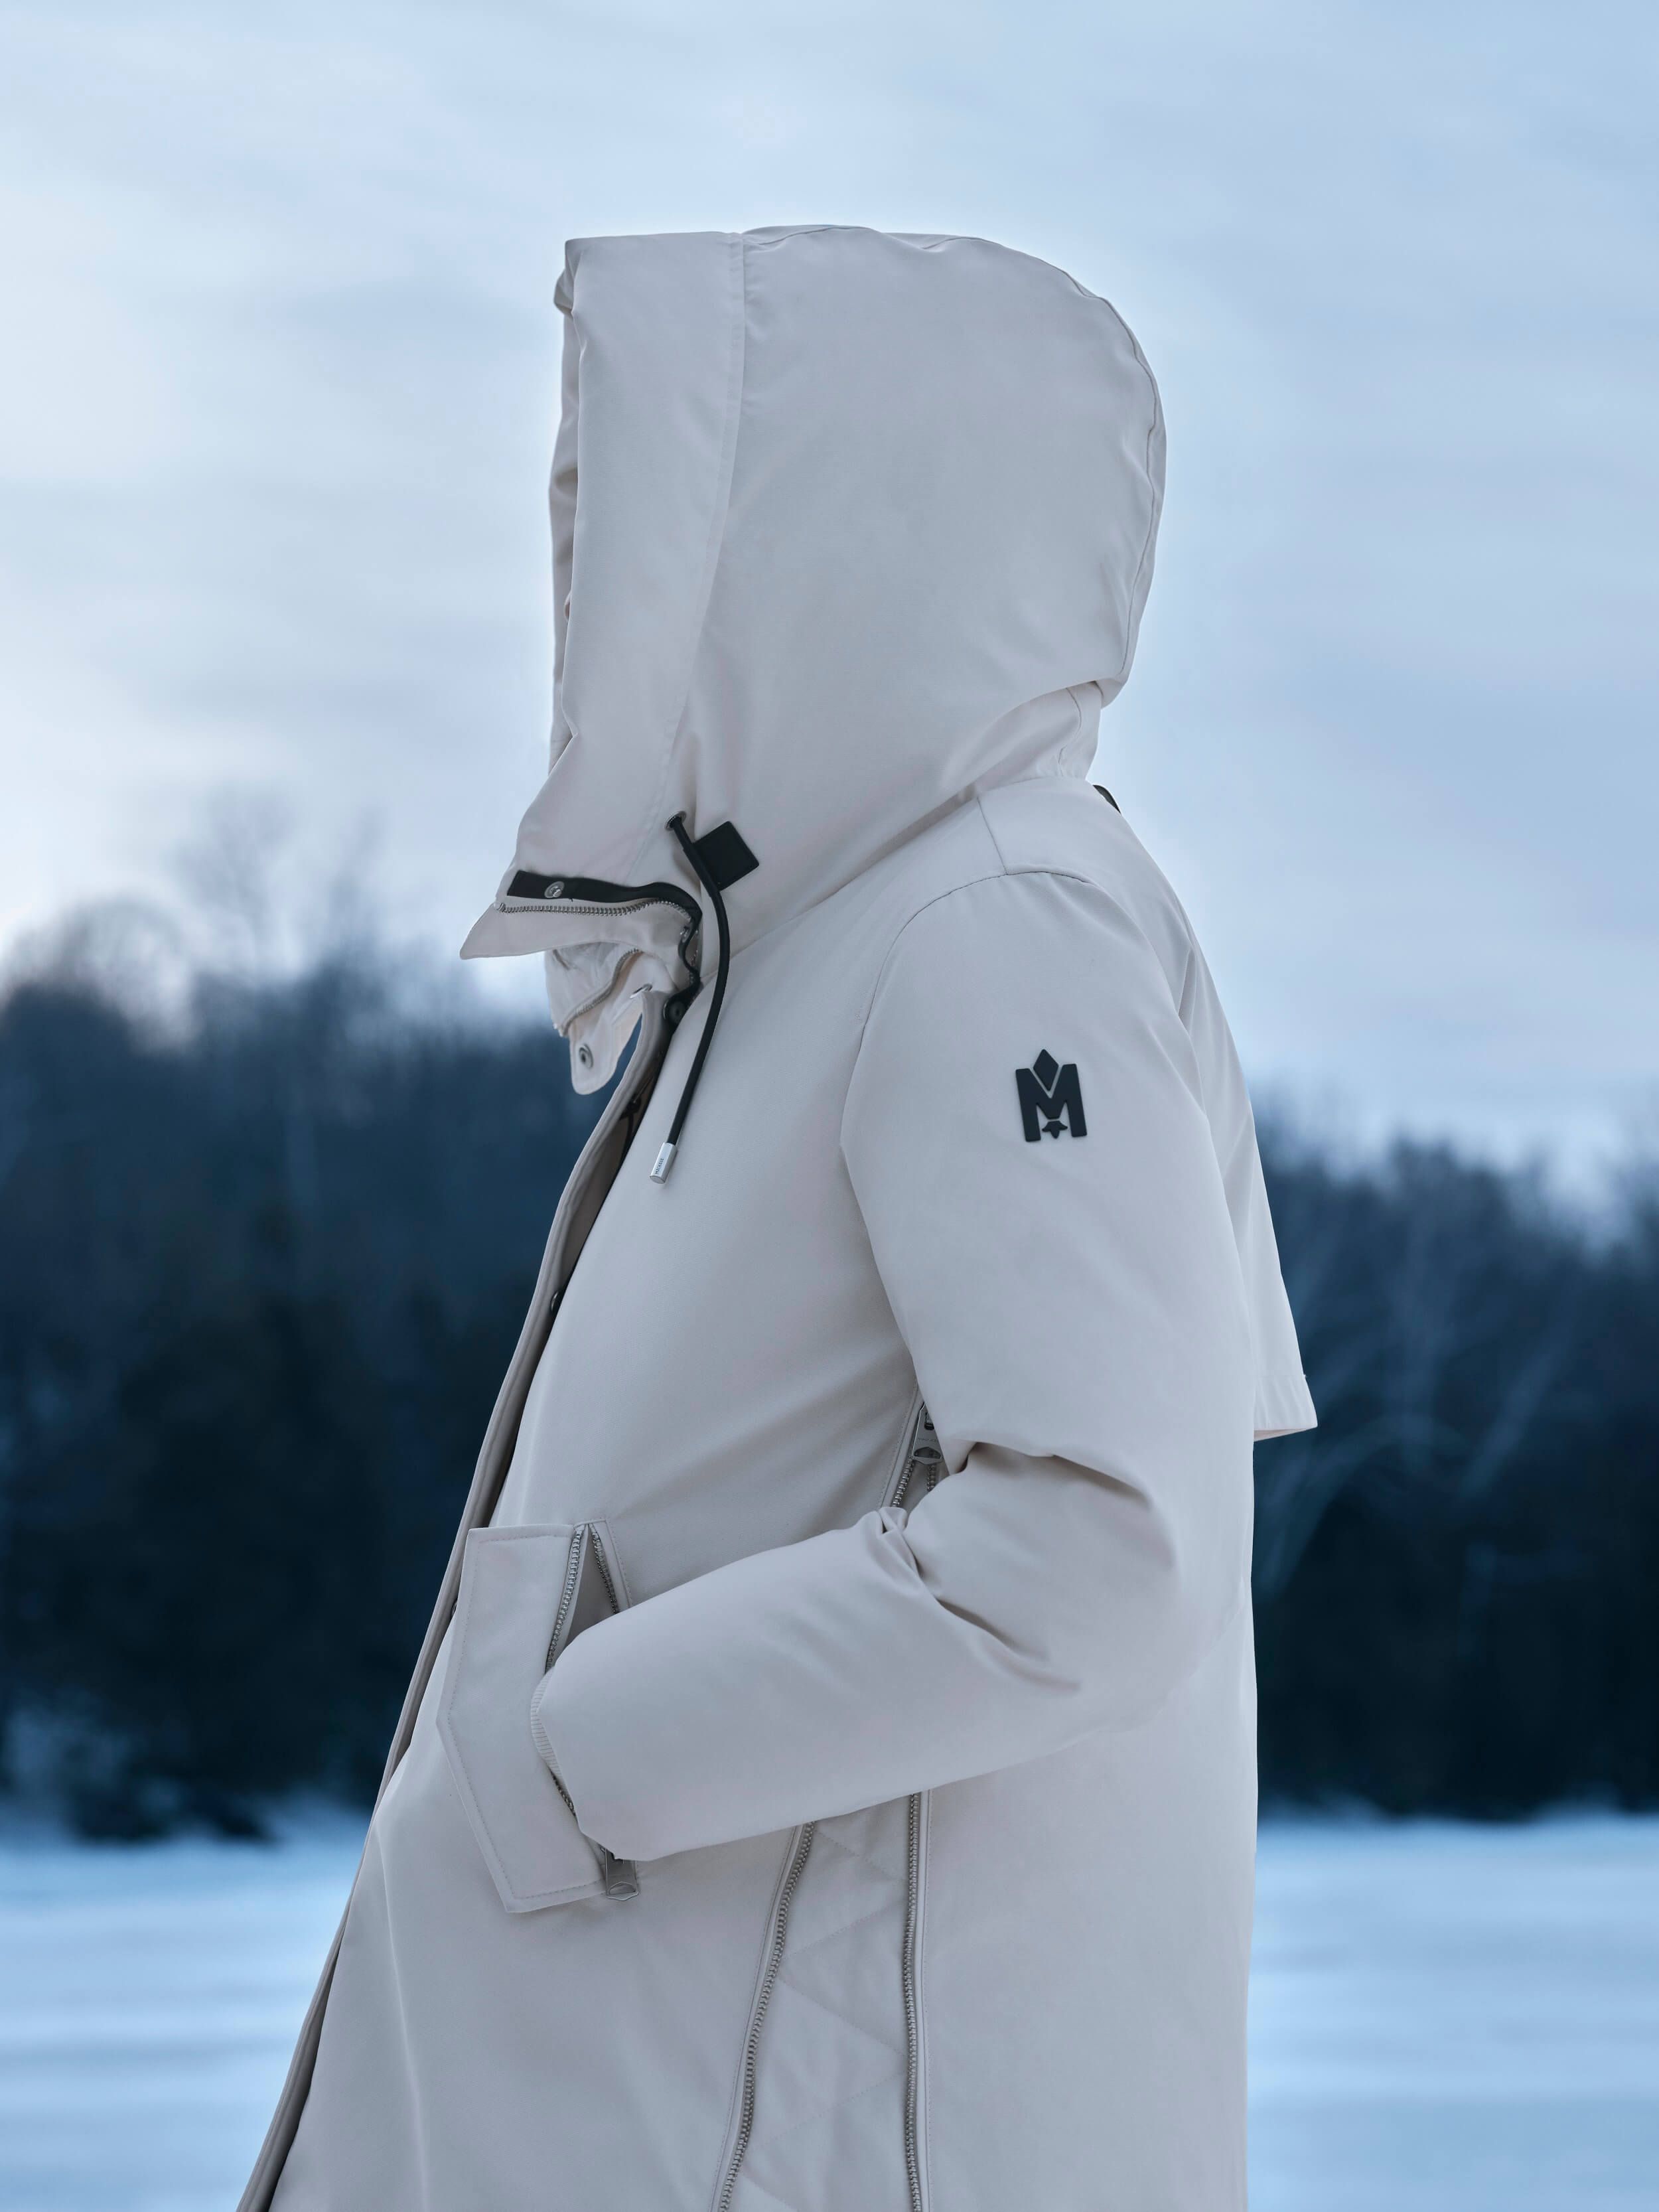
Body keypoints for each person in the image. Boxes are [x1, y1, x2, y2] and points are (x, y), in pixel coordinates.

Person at [242, 224, 1315, 2212]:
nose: (601, 586)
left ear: (819, 534)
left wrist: (572, 1750)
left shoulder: (993, 926)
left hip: (801, 2130)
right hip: (655, 2084)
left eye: (662, 513)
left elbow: (1097, 1545)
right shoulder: (790, 951)